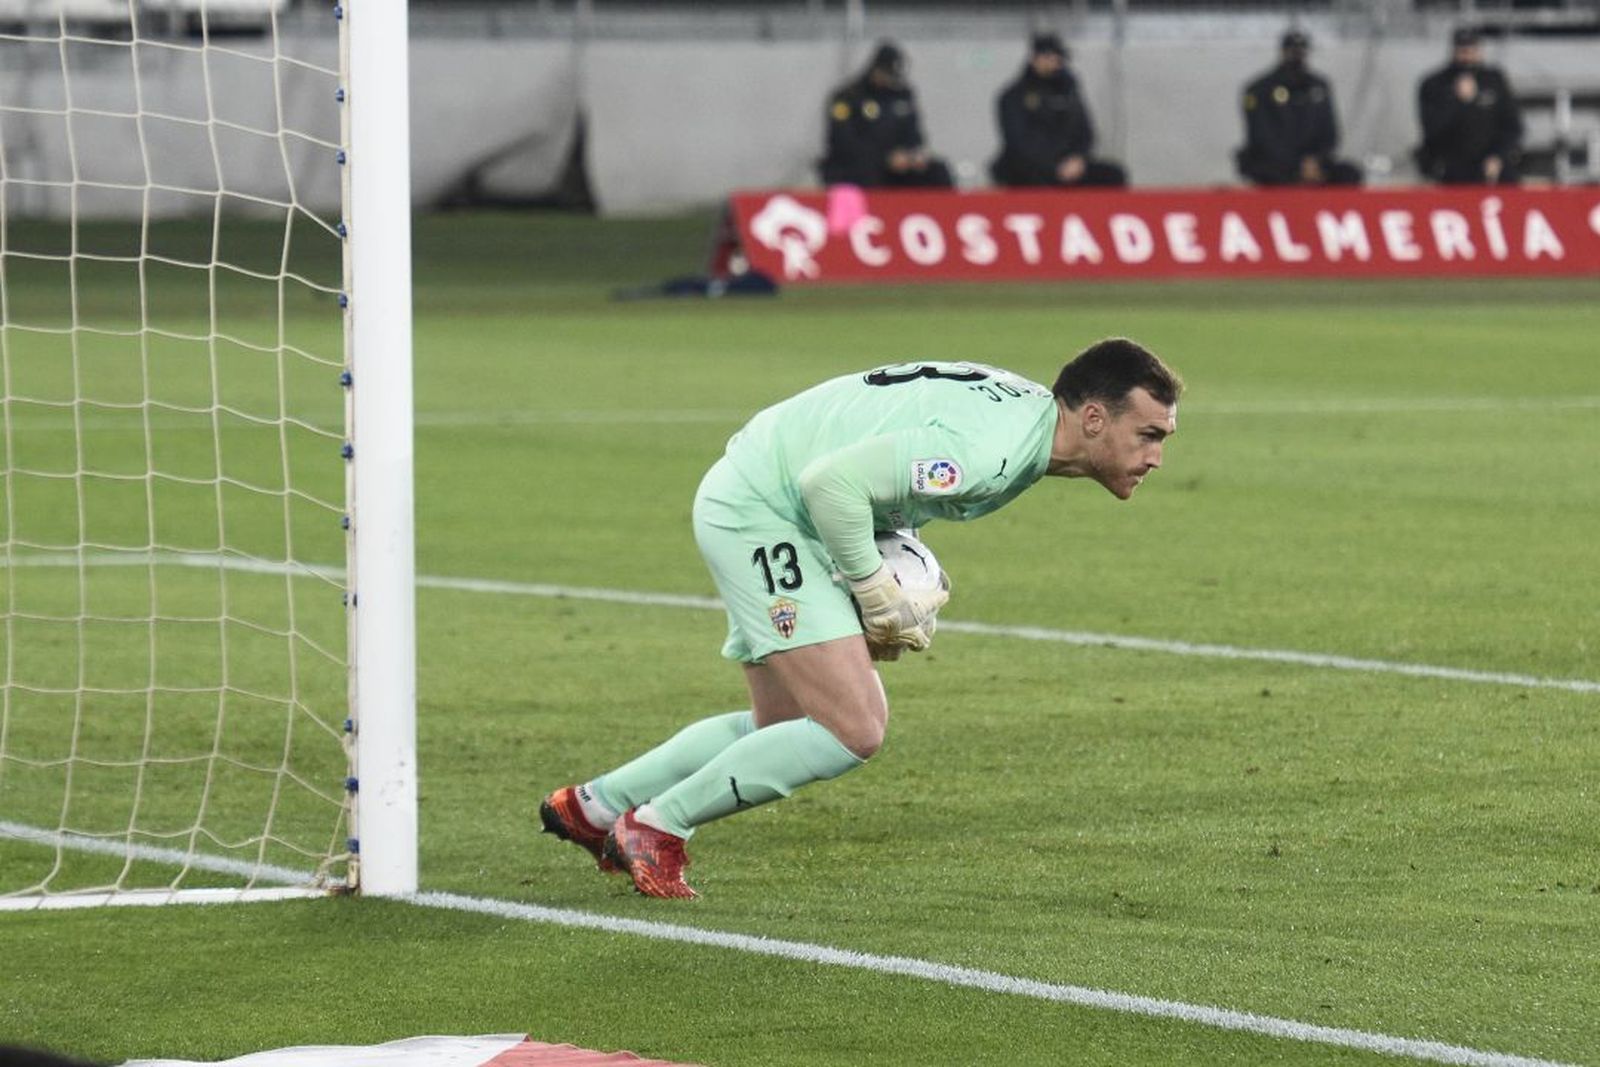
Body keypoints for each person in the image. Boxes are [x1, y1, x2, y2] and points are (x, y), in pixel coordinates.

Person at [540, 340, 1183, 898]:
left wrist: (872, 568)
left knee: (784, 726)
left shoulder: (1024, 421)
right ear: (1094, 418)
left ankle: (593, 808)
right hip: (766, 511)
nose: (1156, 456)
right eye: (1148, 434)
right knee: (853, 727)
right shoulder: (991, 452)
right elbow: (831, 484)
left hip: (768, 494)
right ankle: (655, 827)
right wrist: (874, 588)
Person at [990, 33, 1127, 188]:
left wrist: (1078, 158)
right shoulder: (1013, 96)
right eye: (1051, 58)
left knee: (1113, 175)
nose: (1056, 64)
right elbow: (1018, 142)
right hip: (1032, 166)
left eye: (1058, 59)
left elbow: (1086, 132)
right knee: (1025, 174)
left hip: (1069, 164)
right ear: (1036, 58)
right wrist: (1053, 165)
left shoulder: (1069, 92)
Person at [818, 41, 953, 188]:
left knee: (937, 171)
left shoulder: (902, 96)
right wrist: (885, 158)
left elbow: (914, 133)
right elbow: (842, 141)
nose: (889, 80)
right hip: (861, 163)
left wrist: (912, 155)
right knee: (866, 171)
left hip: (897, 164)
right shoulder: (848, 98)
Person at [1235, 30, 1362, 186]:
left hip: (1313, 163)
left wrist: (1315, 159)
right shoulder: (1260, 90)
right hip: (1276, 162)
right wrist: (1297, 165)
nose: (1297, 55)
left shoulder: (1318, 87)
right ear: (1283, 52)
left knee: (1349, 173)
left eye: (1302, 50)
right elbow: (1262, 135)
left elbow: (1330, 133)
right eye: (1292, 50)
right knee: (1267, 171)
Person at [1416, 27, 1523, 184]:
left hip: (1491, 164)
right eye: (1462, 49)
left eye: (1471, 48)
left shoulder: (1494, 80)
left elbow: (1512, 126)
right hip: (1451, 165)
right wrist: (1458, 101)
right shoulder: (1435, 83)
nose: (1467, 54)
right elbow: (1432, 129)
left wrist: (1498, 156)